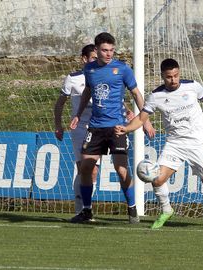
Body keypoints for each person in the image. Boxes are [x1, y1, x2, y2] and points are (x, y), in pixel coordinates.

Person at [115, 58, 203, 229]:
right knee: (157, 180)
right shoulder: (156, 96)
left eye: (176, 75)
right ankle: (166, 210)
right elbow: (142, 118)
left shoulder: (193, 86)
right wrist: (127, 129)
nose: (173, 80)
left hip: (197, 144)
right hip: (175, 144)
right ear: (162, 76)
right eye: (169, 77)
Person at [69, 32, 155, 223]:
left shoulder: (122, 69)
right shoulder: (89, 69)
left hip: (117, 127)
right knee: (85, 168)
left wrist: (145, 119)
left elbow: (136, 94)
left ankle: (132, 208)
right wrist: (77, 114)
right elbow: (87, 91)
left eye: (111, 50)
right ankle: (86, 210)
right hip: (95, 127)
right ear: (97, 50)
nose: (109, 54)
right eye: (105, 50)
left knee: (121, 170)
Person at [54, 44, 99, 215]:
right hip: (79, 128)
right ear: (84, 59)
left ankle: (86, 207)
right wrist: (58, 125)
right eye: (93, 57)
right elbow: (59, 103)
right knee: (84, 169)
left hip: (98, 127)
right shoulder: (73, 78)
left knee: (93, 171)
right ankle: (81, 209)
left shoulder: (102, 75)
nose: (97, 60)